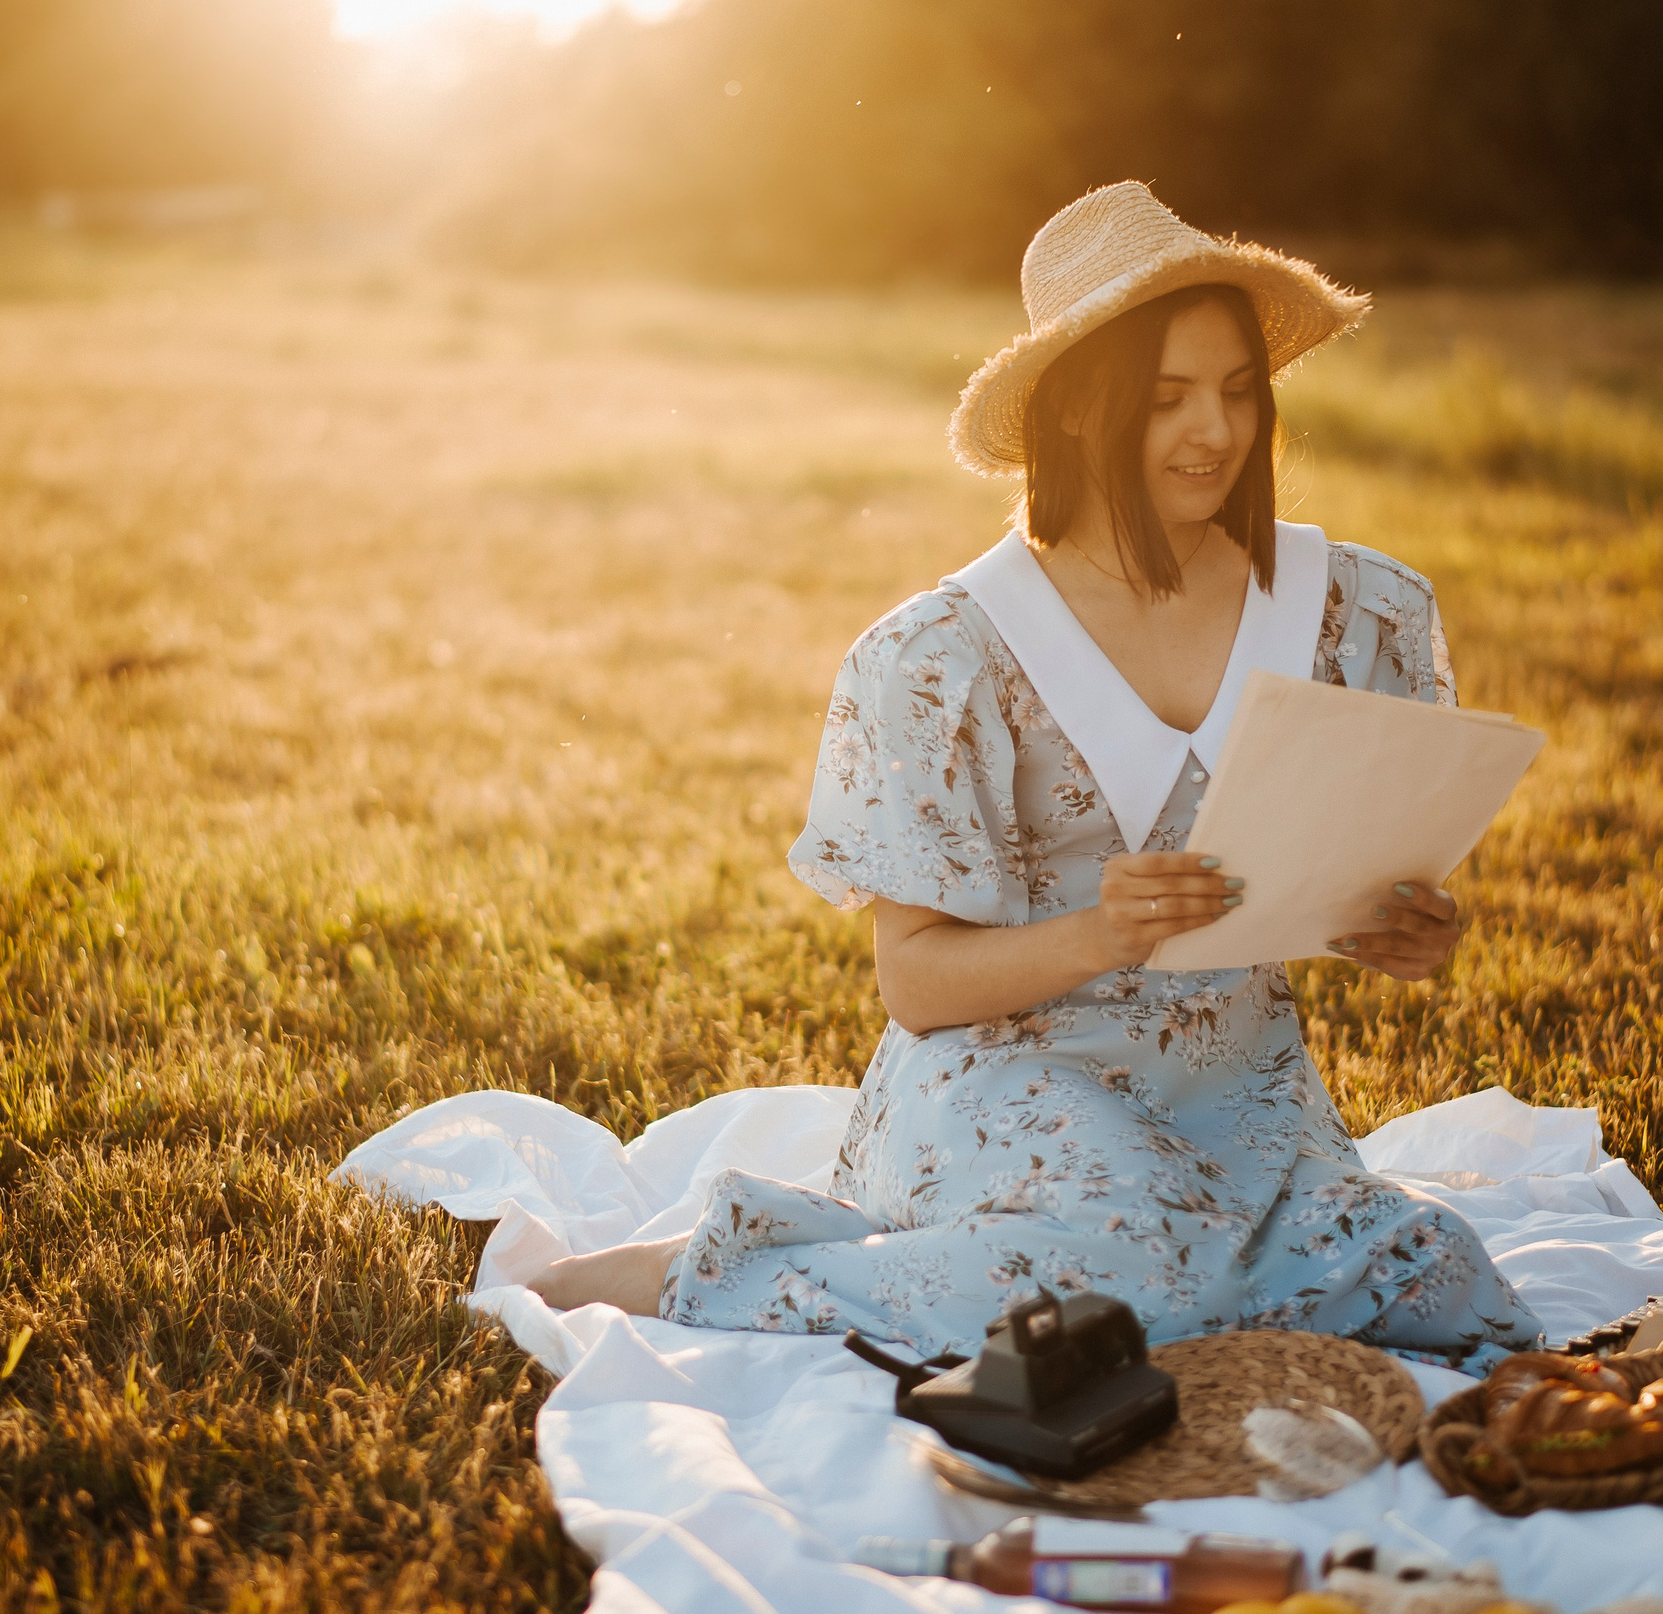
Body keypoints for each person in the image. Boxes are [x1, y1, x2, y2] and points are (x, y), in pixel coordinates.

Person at [529, 183, 1541, 1370]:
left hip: (1237, 1091)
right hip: (999, 1077)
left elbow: (1342, 868)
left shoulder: (1355, 608)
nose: (1212, 431)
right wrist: (1099, 933)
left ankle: (1187, 1259)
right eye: (1164, 399)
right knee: (1133, 1285)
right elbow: (913, 982)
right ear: (1071, 415)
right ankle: (726, 1263)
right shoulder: (940, 656)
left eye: (1233, 391)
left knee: (1446, 1284)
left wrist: (1398, 930)